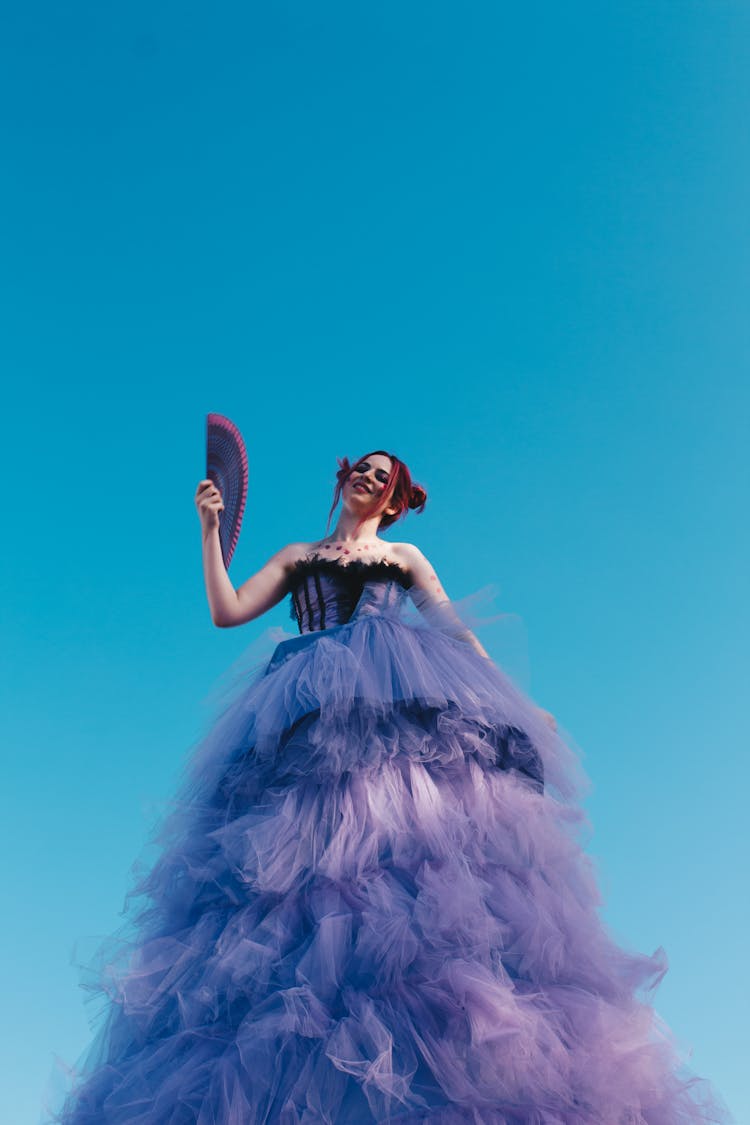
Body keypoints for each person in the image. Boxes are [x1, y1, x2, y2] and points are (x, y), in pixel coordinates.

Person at [51, 450, 730, 1124]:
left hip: (387, 693)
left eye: (384, 478)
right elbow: (227, 611)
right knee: (295, 871)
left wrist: (518, 701)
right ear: (342, 479)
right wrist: (209, 529)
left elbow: (455, 631)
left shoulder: (403, 556)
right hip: (304, 708)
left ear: (395, 501)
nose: (369, 479)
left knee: (397, 852)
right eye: (362, 469)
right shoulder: (297, 556)